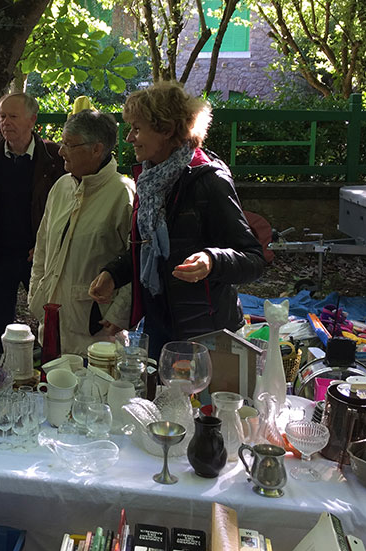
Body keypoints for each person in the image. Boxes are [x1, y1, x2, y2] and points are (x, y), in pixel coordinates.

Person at [89, 82, 265, 358]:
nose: (129, 138)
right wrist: (114, 273)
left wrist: (211, 260)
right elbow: (148, 247)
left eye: (137, 128)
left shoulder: (209, 181)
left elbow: (254, 258)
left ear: (166, 130)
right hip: (158, 323)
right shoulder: (149, 180)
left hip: (204, 332)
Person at [27, 110, 134, 355]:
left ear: (97, 149)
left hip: (97, 334)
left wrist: (120, 312)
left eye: (68, 144)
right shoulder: (61, 187)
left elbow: (137, 259)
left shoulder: (122, 193)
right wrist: (36, 295)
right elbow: (42, 247)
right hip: (52, 324)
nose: (61, 151)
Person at [0, 93, 66, 353]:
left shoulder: (53, 156)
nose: (5, 123)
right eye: (2, 117)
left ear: (32, 120)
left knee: (50, 319)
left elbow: (68, 204)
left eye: (13, 116)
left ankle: (49, 372)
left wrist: (46, 246)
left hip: (39, 255)